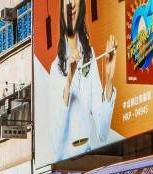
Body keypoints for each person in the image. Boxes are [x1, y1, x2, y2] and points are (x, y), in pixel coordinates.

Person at [45, 0, 118, 162]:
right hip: (66, 164)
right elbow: (56, 144)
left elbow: (103, 133)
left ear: (82, 8)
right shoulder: (55, 67)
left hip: (89, 157)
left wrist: (109, 79)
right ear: (62, 10)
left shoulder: (89, 55)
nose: (72, 6)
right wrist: (69, 79)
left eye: (76, 1)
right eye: (67, 2)